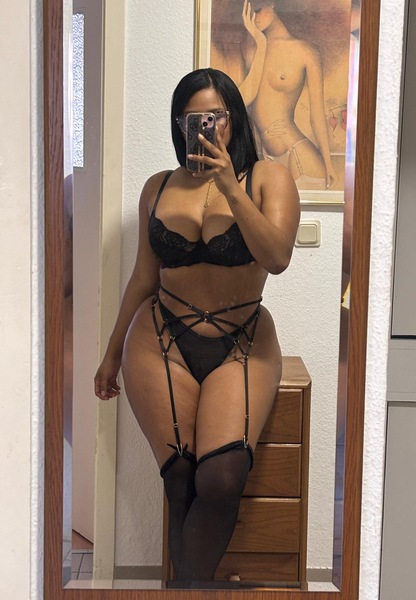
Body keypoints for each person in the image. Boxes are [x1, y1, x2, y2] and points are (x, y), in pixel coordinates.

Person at [94, 68, 300, 584]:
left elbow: (276, 257)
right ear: (179, 125)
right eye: (192, 119)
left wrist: (229, 184)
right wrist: (111, 353)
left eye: (215, 117)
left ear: (234, 119)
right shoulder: (159, 187)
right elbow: (144, 277)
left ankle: (185, 586)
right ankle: (192, 589)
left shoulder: (268, 179)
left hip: (242, 341)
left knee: (222, 477)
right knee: (180, 476)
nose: (206, 127)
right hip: (160, 338)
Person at [239, 0, 337, 189]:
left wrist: (328, 163)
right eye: (249, 13)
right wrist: (261, 44)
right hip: (264, 156)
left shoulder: (305, 51)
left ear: (272, 4)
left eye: (258, 10)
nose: (254, 18)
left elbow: (317, 115)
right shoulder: (251, 47)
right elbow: (242, 100)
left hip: (297, 154)